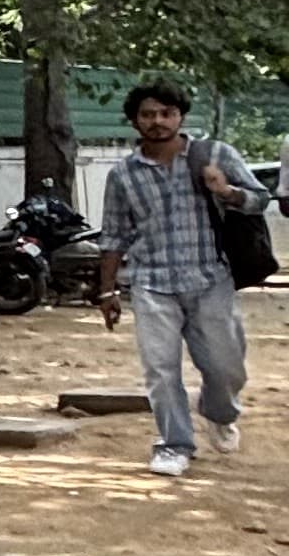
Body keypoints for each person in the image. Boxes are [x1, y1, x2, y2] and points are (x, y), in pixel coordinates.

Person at [93, 79, 266, 478]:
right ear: (135, 122)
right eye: (148, 115)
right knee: (160, 369)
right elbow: (114, 233)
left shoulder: (215, 155)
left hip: (211, 279)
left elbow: (259, 197)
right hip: (152, 284)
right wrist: (106, 289)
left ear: (180, 116)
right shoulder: (123, 174)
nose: (157, 122)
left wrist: (228, 192)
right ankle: (174, 444)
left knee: (226, 367)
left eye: (166, 113)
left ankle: (219, 413)